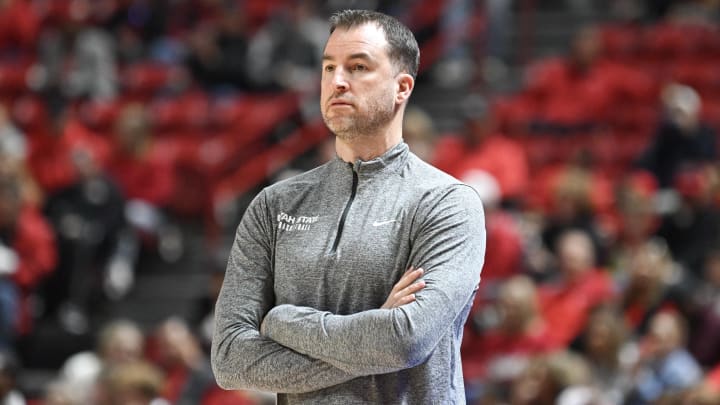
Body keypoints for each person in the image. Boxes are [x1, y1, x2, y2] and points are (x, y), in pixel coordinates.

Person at [211, 9, 486, 404]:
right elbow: (230, 359)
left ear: (402, 87)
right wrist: (373, 335)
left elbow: (405, 340)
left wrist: (281, 321)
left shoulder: (447, 203)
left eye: (358, 67)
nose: (337, 82)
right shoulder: (273, 205)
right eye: (328, 68)